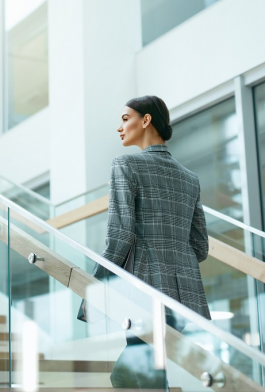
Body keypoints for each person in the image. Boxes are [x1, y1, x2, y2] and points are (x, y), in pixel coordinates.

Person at [95, 95, 211, 390]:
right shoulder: (190, 178)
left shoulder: (125, 165)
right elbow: (200, 247)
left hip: (143, 292)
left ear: (146, 120)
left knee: (143, 374)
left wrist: (93, 285)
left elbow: (120, 235)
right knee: (130, 374)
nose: (119, 127)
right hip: (184, 296)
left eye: (125, 119)